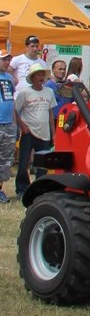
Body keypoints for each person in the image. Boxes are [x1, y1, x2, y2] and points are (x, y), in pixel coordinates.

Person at [14, 62, 57, 197]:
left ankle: (39, 189)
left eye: (42, 75)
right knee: (23, 162)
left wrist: (53, 133)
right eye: (37, 75)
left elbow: (50, 114)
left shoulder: (49, 92)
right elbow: (15, 111)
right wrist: (22, 125)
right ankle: (22, 189)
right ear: (32, 78)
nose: (40, 77)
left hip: (44, 133)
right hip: (29, 132)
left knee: (43, 164)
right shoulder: (25, 93)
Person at [0, 50, 16, 203]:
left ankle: (0, 189)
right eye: (4, 60)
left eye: (8, 60)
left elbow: (12, 100)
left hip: (9, 123)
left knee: (5, 159)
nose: (6, 63)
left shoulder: (10, 78)